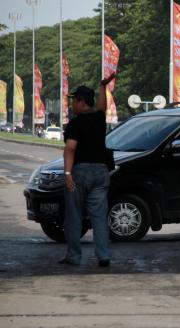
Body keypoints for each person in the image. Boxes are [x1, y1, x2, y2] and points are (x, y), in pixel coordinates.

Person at [58, 72, 116, 267]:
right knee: (99, 216)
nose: (72, 105)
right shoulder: (99, 119)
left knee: (73, 215)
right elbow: (102, 106)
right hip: (101, 173)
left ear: (82, 102)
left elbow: (70, 148)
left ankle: (74, 257)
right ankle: (104, 255)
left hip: (80, 173)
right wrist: (103, 87)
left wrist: (67, 173)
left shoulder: (75, 123)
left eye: (74, 101)